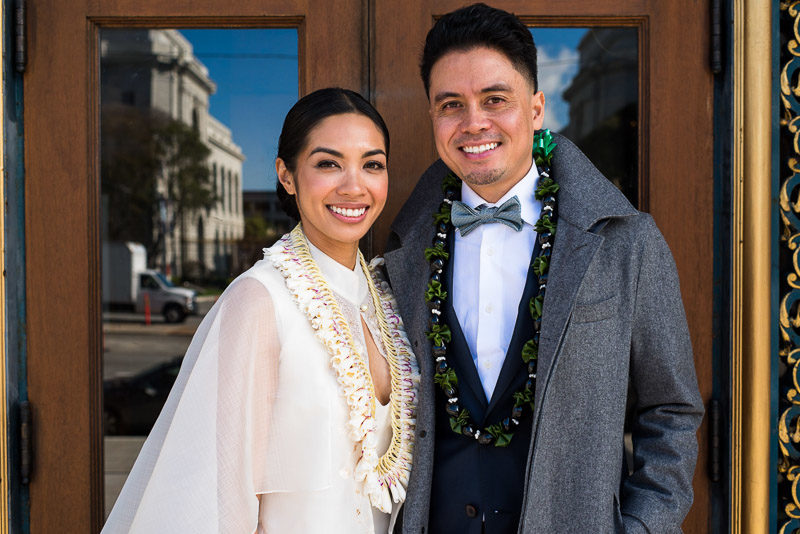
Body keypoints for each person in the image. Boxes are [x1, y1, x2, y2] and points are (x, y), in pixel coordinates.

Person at [383, 4, 704, 533]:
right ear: (433, 119)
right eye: (450, 105)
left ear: (535, 109)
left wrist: (643, 528)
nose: (474, 123)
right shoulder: (400, 249)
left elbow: (670, 411)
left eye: (495, 99)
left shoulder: (627, 243)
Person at [102, 88, 419, 534]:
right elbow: (221, 491)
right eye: (328, 163)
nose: (354, 185)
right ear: (286, 175)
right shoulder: (260, 299)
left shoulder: (385, 298)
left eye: (372, 164)